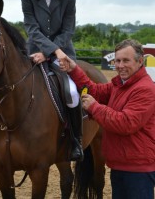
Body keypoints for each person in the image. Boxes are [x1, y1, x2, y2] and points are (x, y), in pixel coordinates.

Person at [60, 39, 155, 199]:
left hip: (138, 170)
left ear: (140, 61)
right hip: (120, 165)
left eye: (126, 60)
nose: (120, 65)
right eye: (117, 61)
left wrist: (94, 107)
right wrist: (74, 69)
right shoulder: (119, 84)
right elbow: (94, 90)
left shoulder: (145, 89)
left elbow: (126, 123)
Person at [20, 0, 83, 161]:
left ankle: (76, 140)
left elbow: (67, 31)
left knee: (72, 92)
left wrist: (50, 53)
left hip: (61, 52)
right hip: (32, 52)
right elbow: (33, 29)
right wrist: (48, 51)